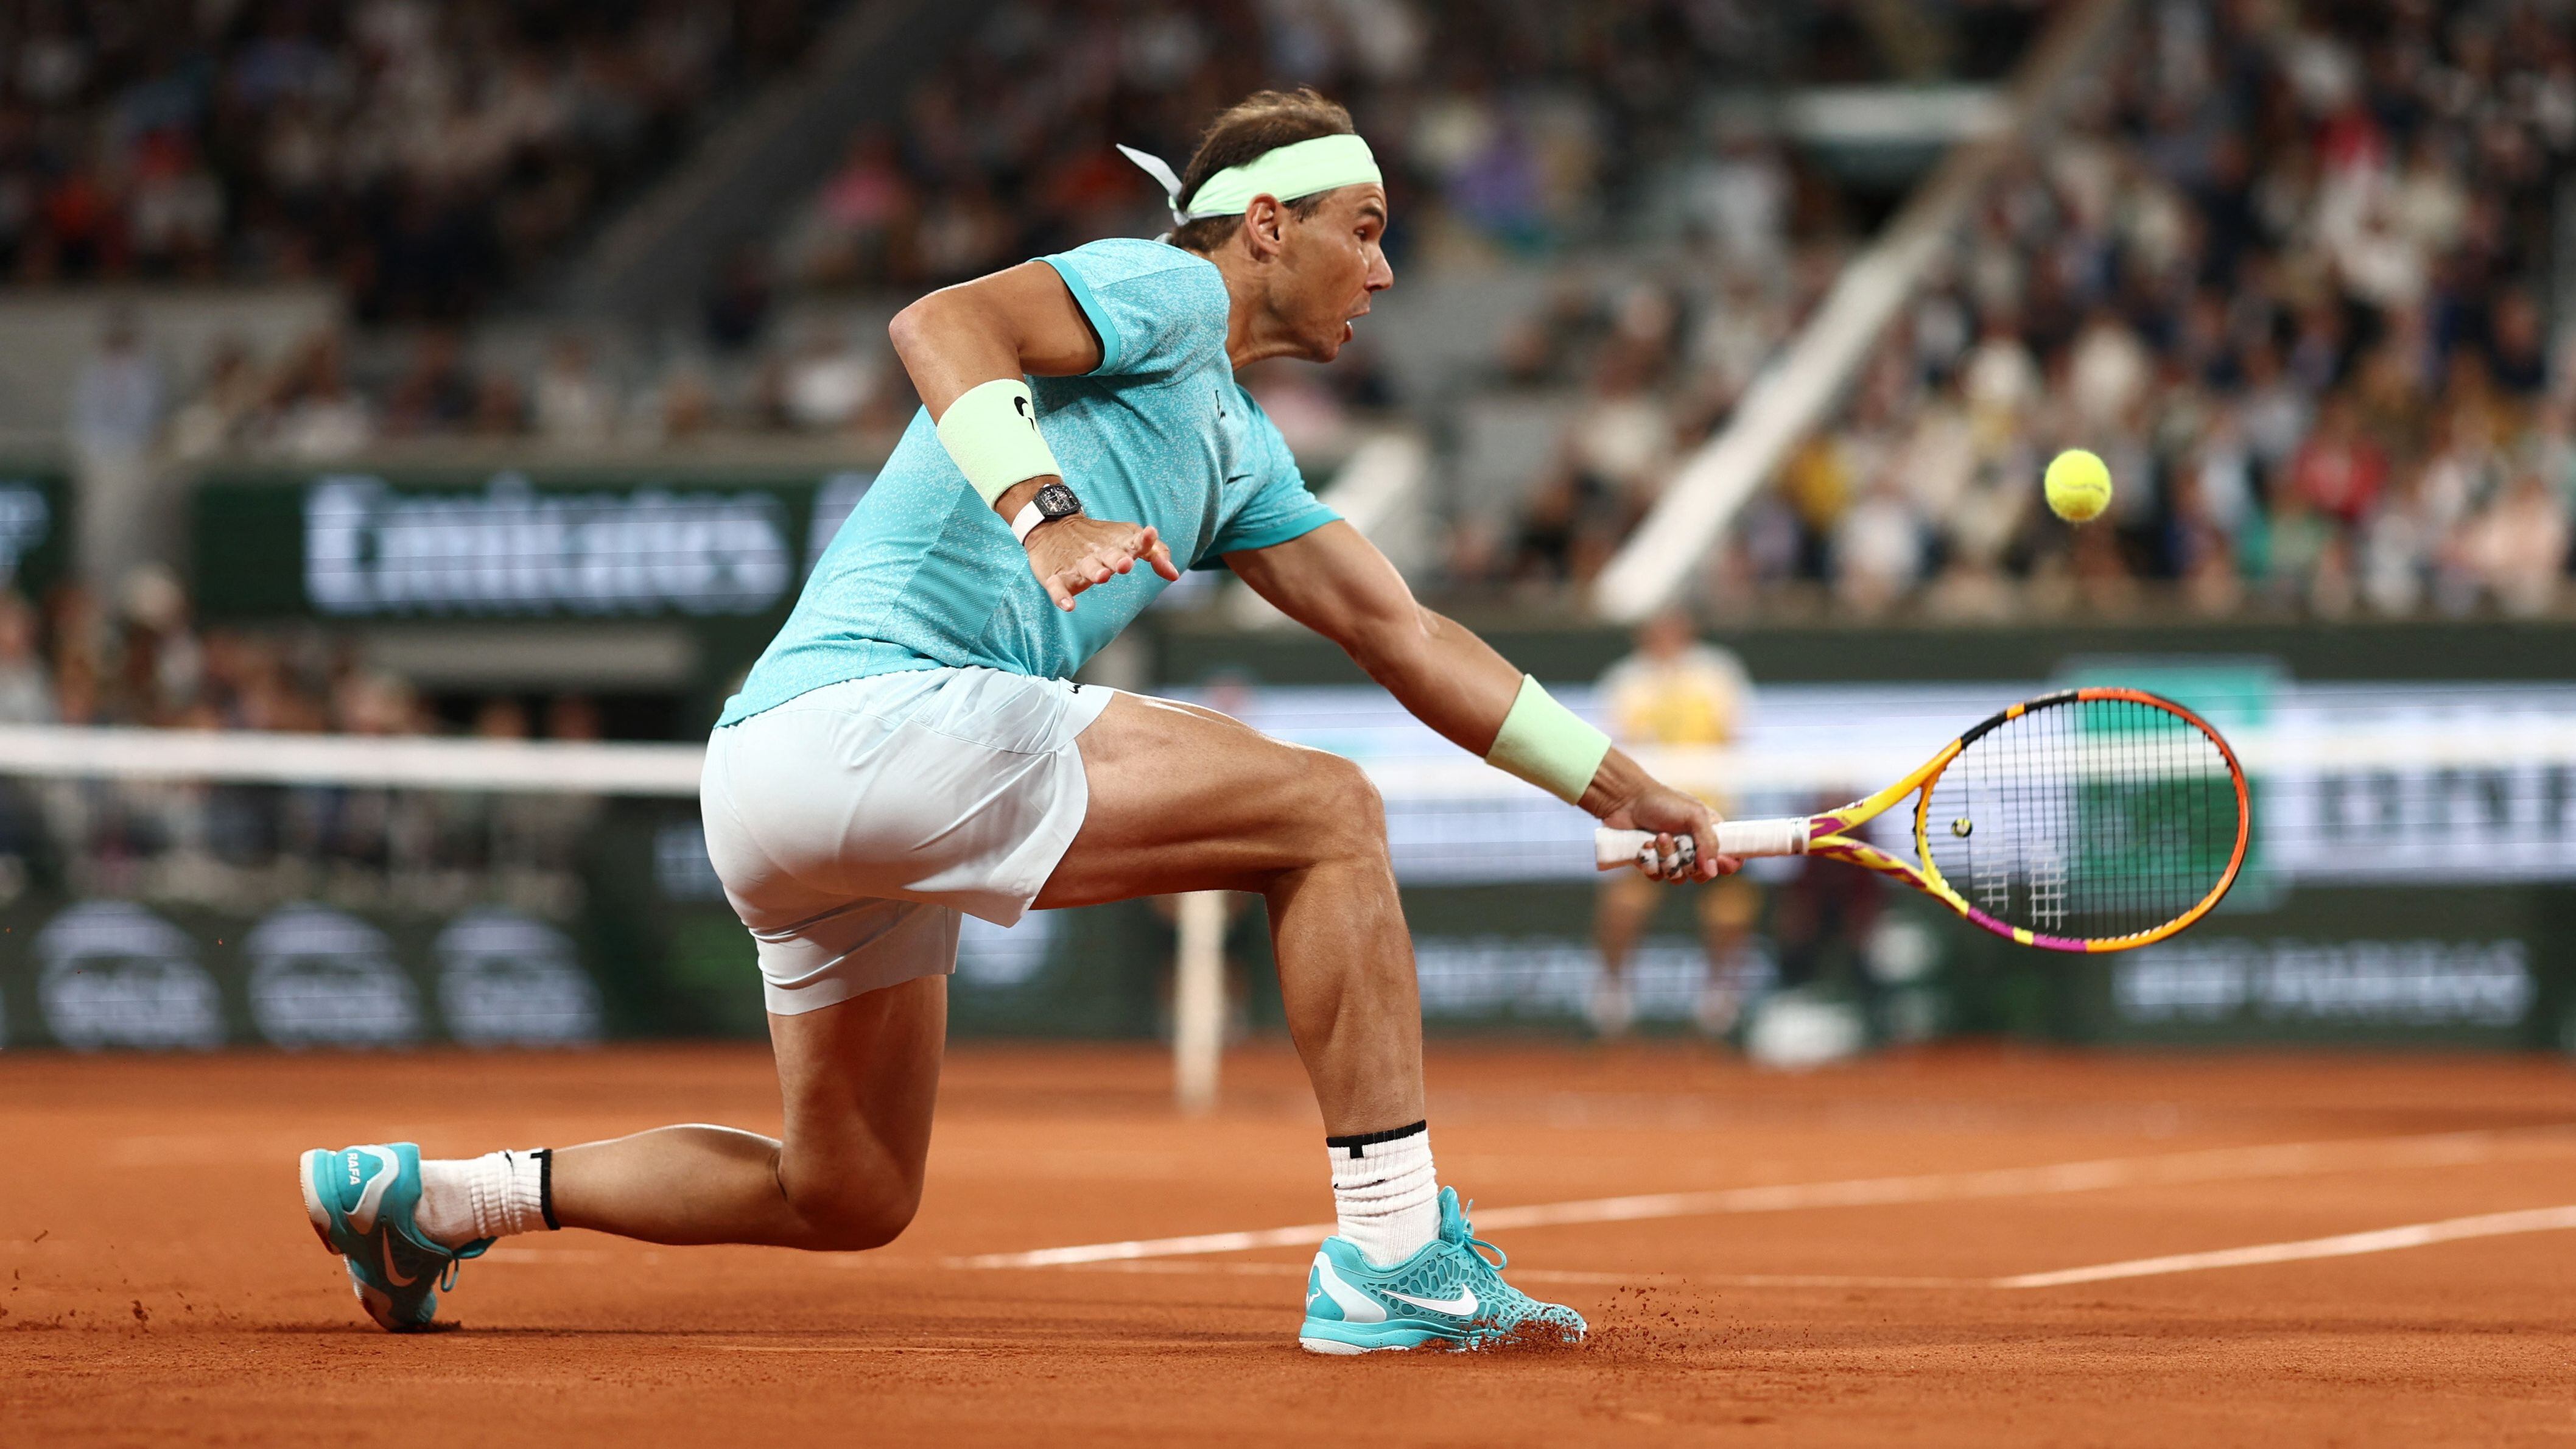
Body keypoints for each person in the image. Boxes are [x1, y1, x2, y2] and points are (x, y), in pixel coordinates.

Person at [297, 90, 1736, 1355]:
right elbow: (939, 322)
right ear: (1260, 228)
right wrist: (1042, 513)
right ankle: (1391, 1258)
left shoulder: (1236, 446)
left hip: (774, 782)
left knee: (847, 1192)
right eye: (1360, 228)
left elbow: (1401, 634)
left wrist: (1618, 789)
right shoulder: (1163, 295)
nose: (1384, 265)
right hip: (882, 719)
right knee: (1329, 814)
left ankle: (432, 1205)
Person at [1588, 610, 1759, 1039]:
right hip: (1645, 825)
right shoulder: (1623, 681)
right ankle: (1612, 999)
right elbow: (1612, 754)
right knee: (1623, 906)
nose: (1664, 633)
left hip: (1712, 820)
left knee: (1729, 910)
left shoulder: (1717, 673)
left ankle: (1719, 1002)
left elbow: (1736, 738)